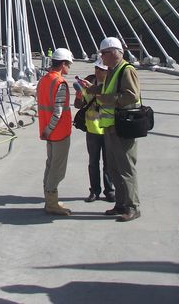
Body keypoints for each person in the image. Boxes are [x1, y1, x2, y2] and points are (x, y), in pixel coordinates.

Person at [80, 37, 142, 222]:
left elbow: (131, 96)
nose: (101, 58)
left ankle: (132, 206)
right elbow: (109, 89)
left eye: (103, 54)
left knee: (126, 168)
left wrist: (104, 98)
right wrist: (94, 90)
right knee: (114, 168)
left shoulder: (126, 70)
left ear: (114, 53)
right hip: (110, 126)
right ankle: (121, 204)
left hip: (123, 126)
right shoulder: (114, 71)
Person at [36, 47, 74, 215]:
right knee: (57, 169)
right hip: (59, 132)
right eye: (69, 65)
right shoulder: (60, 83)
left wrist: (46, 130)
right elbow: (58, 111)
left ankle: (49, 199)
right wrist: (51, 128)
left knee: (50, 164)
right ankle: (51, 203)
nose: (69, 68)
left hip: (48, 131)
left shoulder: (43, 80)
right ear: (63, 64)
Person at [74, 57, 115, 203]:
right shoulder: (88, 82)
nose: (98, 72)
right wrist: (79, 96)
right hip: (92, 129)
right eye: (97, 69)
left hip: (109, 129)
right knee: (93, 162)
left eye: (101, 70)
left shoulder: (112, 84)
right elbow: (78, 105)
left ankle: (109, 190)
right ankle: (94, 191)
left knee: (109, 163)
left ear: (107, 71)